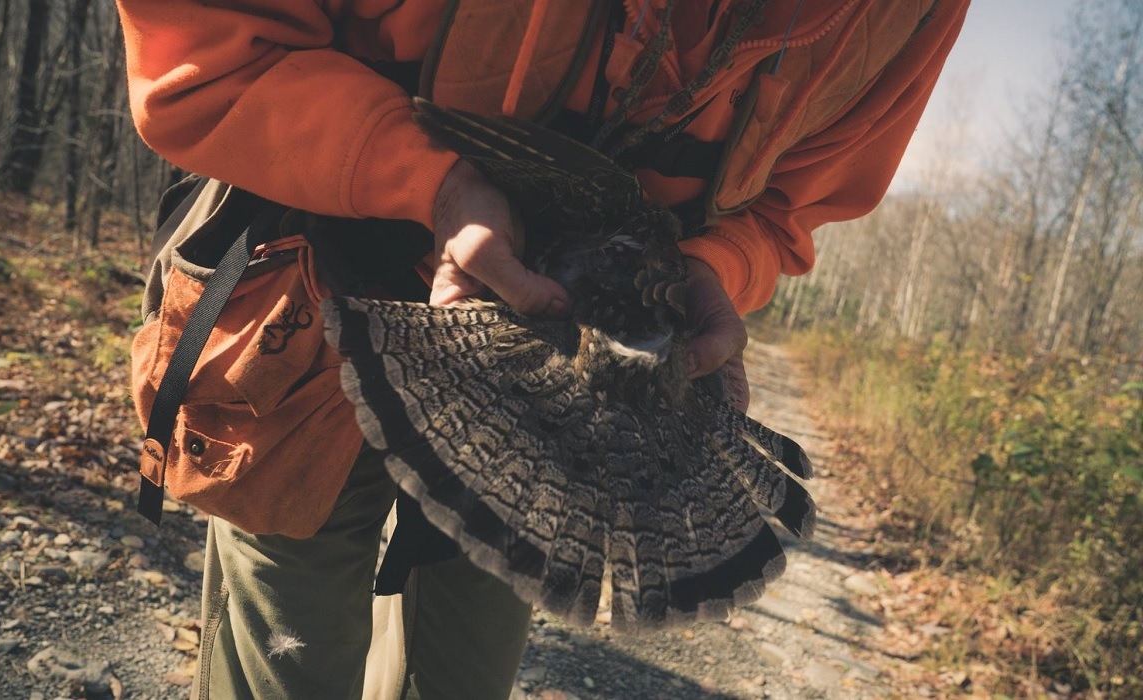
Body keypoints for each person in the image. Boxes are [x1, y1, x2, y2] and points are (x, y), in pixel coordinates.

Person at [115, 1, 970, 698]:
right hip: (314, 285)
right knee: (286, 662)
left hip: (561, 382)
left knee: (459, 677)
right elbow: (208, 49)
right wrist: (431, 181)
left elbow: (791, 202)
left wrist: (711, 268)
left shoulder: (909, 13)